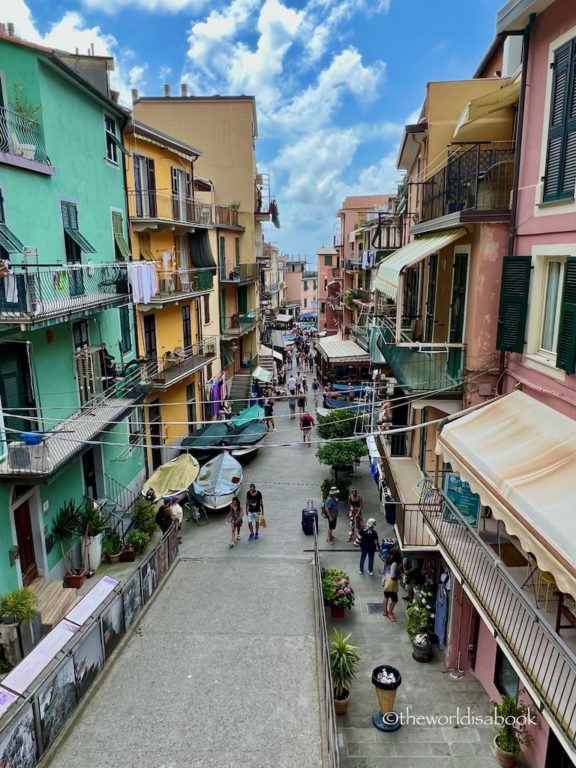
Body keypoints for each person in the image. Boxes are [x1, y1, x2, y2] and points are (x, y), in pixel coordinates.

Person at [382, 549, 402, 621]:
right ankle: (390, 614)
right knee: (394, 599)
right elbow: (393, 575)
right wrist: (399, 576)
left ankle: (385, 612)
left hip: (385, 581)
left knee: (386, 596)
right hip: (391, 584)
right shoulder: (394, 563)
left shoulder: (386, 561)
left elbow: (382, 571)